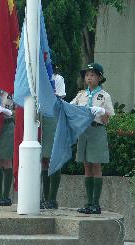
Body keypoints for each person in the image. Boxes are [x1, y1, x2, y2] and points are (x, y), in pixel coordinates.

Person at [70, 62, 114, 214]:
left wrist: (102, 111)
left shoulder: (104, 96)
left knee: (96, 165)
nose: (89, 78)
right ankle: (88, 202)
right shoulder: (81, 95)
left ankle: (96, 203)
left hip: (97, 131)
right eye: (87, 75)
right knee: (86, 165)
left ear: (99, 77)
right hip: (84, 131)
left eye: (92, 75)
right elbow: (71, 107)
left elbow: (109, 117)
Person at [40, 63, 66, 210]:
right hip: (40, 119)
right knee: (43, 160)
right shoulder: (38, 79)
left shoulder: (57, 78)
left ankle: (52, 198)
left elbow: (60, 97)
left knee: (52, 159)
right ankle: (45, 197)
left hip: (52, 117)